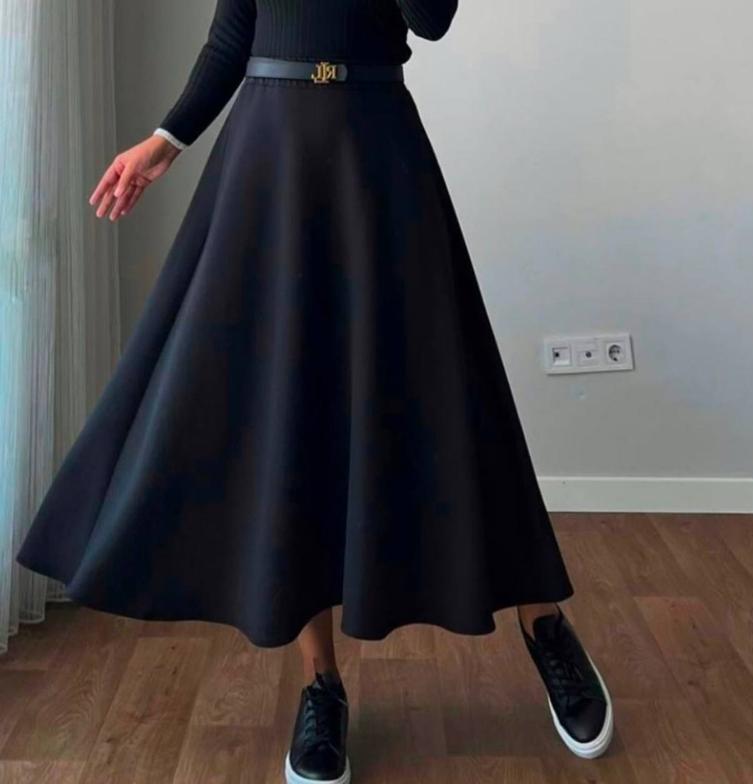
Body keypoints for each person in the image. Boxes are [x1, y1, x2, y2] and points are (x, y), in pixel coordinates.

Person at [15, 1, 613, 781]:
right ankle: (320, 685)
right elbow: (234, 34)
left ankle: (544, 624)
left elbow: (430, 20)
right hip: (269, 156)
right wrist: (166, 139)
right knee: (288, 406)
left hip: (379, 152)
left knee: (453, 391)